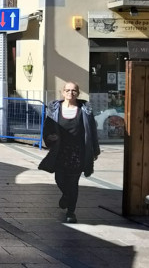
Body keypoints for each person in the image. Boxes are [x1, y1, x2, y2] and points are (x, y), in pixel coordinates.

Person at [39, 81, 100, 223]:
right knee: (59, 179)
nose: (70, 93)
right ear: (62, 92)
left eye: (73, 91)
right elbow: (47, 128)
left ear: (78, 93)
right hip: (60, 151)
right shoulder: (54, 109)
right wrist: (49, 137)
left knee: (73, 182)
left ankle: (71, 212)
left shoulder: (85, 110)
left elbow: (92, 132)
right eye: (67, 90)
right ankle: (66, 196)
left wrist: (95, 150)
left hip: (78, 152)